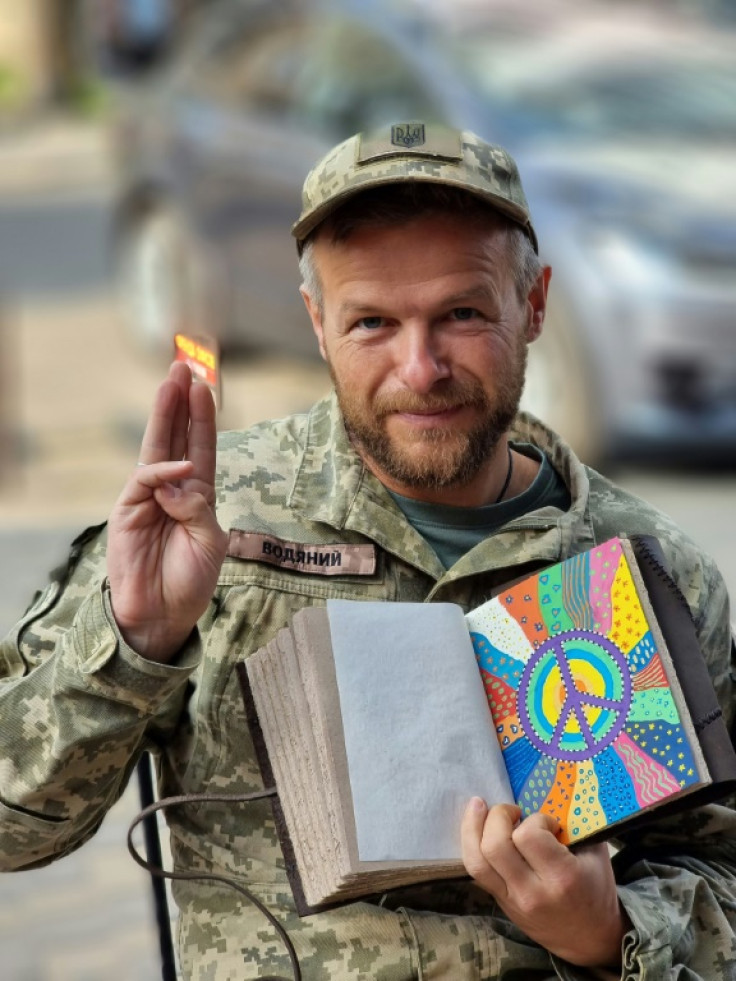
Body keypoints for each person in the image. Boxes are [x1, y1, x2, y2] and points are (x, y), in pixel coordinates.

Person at [1, 121, 735, 980]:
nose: (420, 368)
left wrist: (611, 929)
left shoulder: (650, 572)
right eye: (373, 323)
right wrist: (131, 640)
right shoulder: (204, 515)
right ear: (316, 322)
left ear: (534, 304)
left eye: (461, 313)